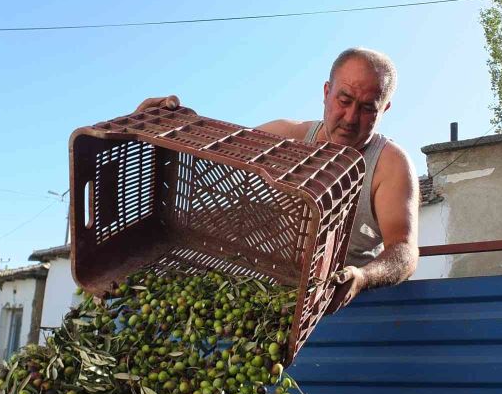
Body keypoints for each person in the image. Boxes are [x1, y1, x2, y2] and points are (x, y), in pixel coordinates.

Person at [134, 48, 419, 313]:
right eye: (343, 101)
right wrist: (168, 126)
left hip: (336, 308)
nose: (350, 118)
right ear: (326, 92)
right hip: (268, 296)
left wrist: (363, 277)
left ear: (384, 109)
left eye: (368, 108)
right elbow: (216, 146)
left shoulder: (389, 165)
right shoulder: (288, 137)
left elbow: (404, 252)